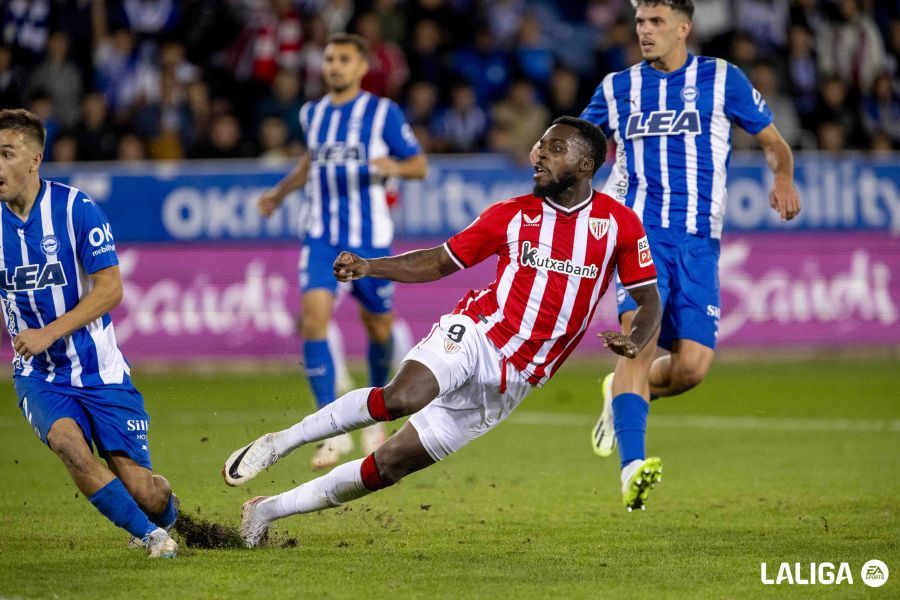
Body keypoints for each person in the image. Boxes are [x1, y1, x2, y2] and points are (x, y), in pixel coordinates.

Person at [224, 117, 663, 548]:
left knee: (389, 466)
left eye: (556, 148)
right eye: (541, 145)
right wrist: (369, 267)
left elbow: (648, 299)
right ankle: (281, 442)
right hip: (477, 333)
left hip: (515, 380)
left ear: (586, 165)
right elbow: (438, 261)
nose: (541, 154)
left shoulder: (620, 225)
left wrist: (636, 340)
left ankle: (266, 510)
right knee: (402, 397)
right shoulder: (511, 214)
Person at [578, 0, 801, 501]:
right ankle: (632, 468)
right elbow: (579, 143)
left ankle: (618, 393)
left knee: (690, 369)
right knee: (640, 340)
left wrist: (783, 176)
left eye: (656, 22)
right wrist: (550, 150)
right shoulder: (617, 88)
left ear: (684, 28)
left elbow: (774, 143)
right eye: (640, 21)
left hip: (699, 242)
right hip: (639, 234)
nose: (645, 30)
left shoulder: (723, 79)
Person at [0, 109, 178, 557]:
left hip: (101, 370)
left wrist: (48, 332)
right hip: (39, 375)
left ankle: (166, 518)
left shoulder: (75, 209)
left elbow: (111, 289)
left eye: (6, 154)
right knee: (68, 444)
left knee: (146, 492)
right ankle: (152, 538)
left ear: (35, 159)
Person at [250, 33, 428, 470]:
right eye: (330, 58)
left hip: (370, 240)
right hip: (321, 236)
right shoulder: (312, 113)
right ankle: (330, 431)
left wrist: (394, 166)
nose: (335, 66)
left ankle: (374, 411)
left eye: (344, 59)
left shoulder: (382, 112)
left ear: (362, 67)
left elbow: (419, 165)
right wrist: (279, 193)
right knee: (313, 320)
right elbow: (311, 162)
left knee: (379, 329)